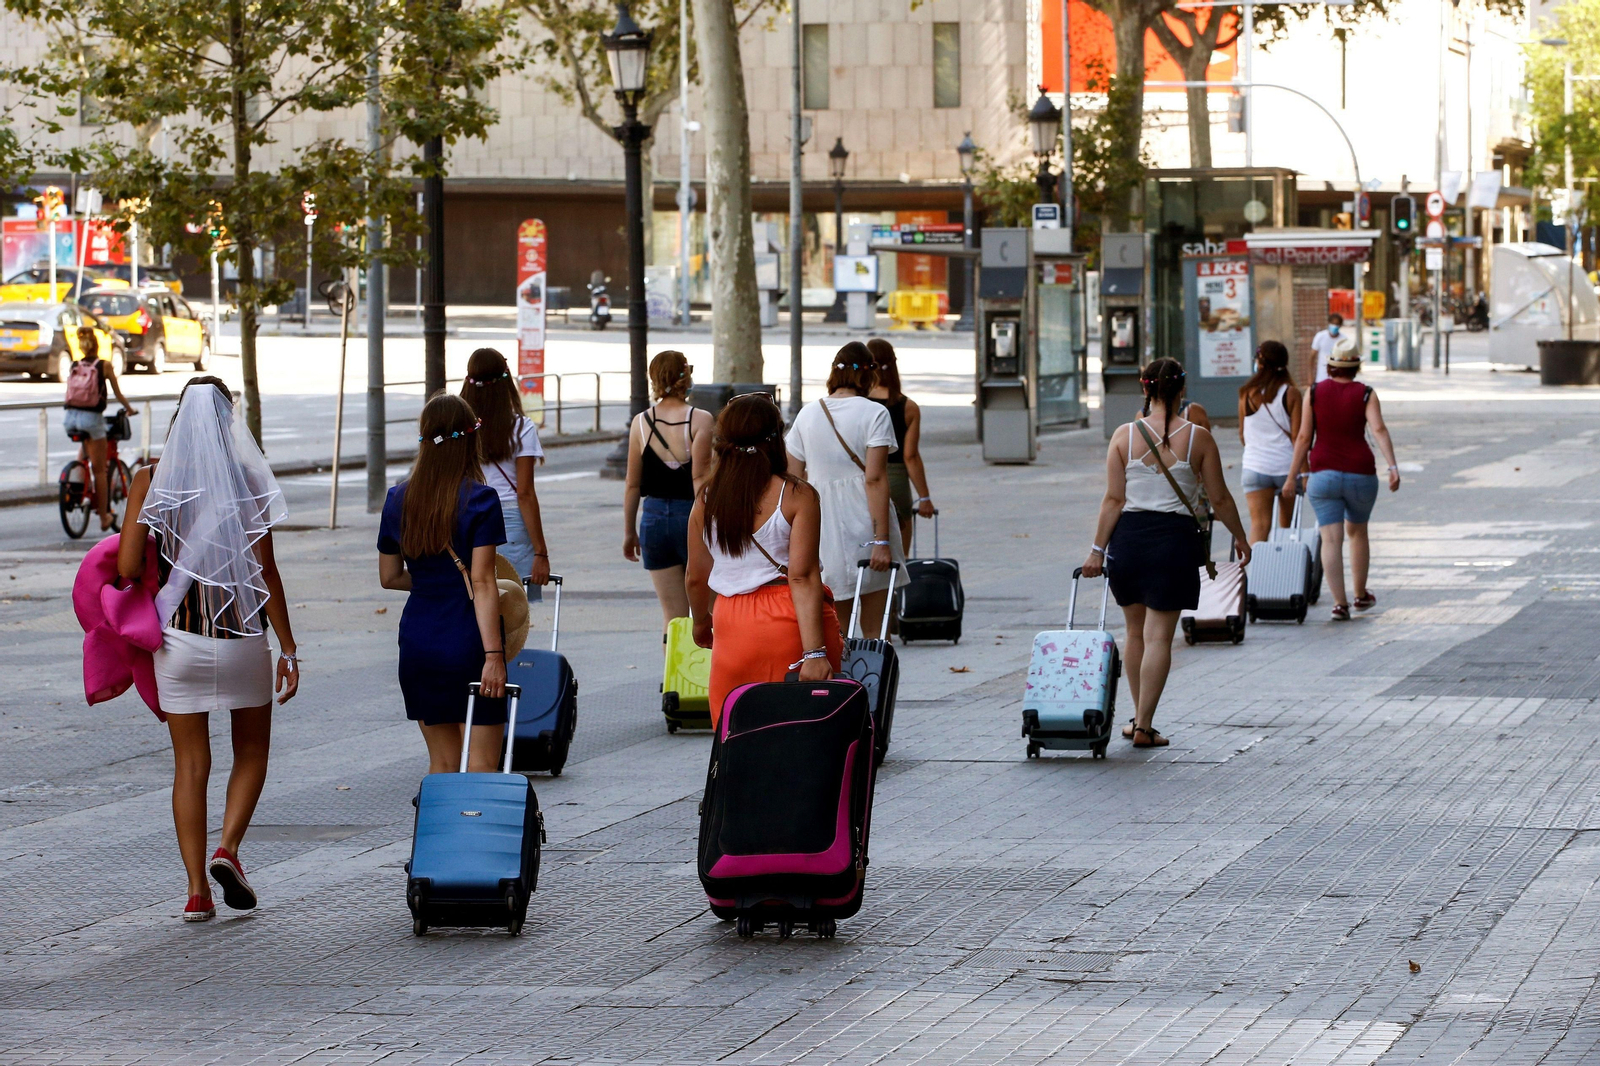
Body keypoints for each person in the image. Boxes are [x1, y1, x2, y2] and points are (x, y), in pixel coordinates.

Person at [116, 376, 299, 922]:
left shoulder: (150, 480)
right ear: (228, 424)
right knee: (252, 753)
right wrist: (288, 647)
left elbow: (126, 569)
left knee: (191, 765)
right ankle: (229, 849)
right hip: (243, 639)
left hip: (181, 642)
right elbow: (266, 571)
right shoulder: (246, 481)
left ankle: (196, 892)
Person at [1082, 358, 1250, 749]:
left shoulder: (1123, 436)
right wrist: (1241, 537)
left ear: (1146, 390)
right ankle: (1144, 725)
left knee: (1135, 633)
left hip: (1129, 542)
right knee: (1160, 638)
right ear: (1181, 391)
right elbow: (1220, 498)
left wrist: (1096, 551)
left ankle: (1137, 719)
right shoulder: (1199, 438)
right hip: (1174, 542)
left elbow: (1113, 499)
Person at [685, 394, 842, 727]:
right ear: (775, 439)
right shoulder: (797, 494)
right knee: (800, 734)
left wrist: (701, 621)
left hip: (730, 621)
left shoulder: (708, 498)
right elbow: (803, 576)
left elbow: (696, 576)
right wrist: (814, 653)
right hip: (788, 619)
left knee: (736, 733)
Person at [378, 394, 510, 775]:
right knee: (483, 762)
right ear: (471, 440)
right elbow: (483, 581)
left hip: (419, 639)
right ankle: (475, 834)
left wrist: (430, 581)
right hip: (467, 639)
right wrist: (494, 657)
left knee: (442, 761)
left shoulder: (398, 499)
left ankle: (437, 834)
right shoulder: (481, 500)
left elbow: (389, 577)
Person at [785, 342, 903, 639]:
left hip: (820, 524)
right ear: (869, 375)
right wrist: (882, 540)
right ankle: (875, 684)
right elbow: (874, 478)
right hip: (866, 520)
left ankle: (843, 685)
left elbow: (793, 479)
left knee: (835, 629)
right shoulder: (875, 413)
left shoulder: (807, 414)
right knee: (876, 633)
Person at [1282, 337, 1401, 621]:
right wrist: (1393, 466)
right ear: (1356, 366)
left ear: (1330, 365)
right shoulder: (1366, 394)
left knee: (1331, 539)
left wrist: (1292, 477)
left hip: (1323, 475)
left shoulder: (1314, 392)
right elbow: (1379, 429)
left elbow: (1302, 437)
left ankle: (1339, 604)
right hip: (1361, 473)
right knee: (1358, 532)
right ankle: (1360, 595)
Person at [623, 350, 713, 628]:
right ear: (686, 377)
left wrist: (629, 532)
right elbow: (699, 478)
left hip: (653, 519)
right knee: (709, 613)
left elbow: (632, 484)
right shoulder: (700, 420)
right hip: (691, 516)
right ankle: (711, 670)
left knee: (672, 617)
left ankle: (672, 671)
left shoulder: (641, 422)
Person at [458, 348, 551, 586]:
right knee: (514, 610)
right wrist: (541, 551)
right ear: (506, 381)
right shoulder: (521, 427)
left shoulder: (458, 427)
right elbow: (525, 493)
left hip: (465, 515)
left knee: (471, 602)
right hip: (509, 522)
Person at [865, 338, 935, 554]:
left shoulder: (859, 404)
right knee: (899, 560)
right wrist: (924, 497)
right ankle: (895, 589)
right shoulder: (908, 407)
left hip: (863, 481)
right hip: (896, 482)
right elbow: (910, 456)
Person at [63, 326, 134, 532]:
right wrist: (130, 409)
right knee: (100, 470)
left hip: (70, 418)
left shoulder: (75, 364)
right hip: (91, 419)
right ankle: (104, 516)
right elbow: (118, 395)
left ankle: (76, 482)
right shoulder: (104, 366)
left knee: (85, 451)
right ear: (97, 344)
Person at [1236, 340, 1303, 544]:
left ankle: (1256, 572)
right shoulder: (1291, 393)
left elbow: (1242, 435)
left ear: (1260, 363)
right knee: (1287, 527)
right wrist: (1304, 472)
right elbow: (1298, 437)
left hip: (1255, 467)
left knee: (1259, 526)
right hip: (1286, 469)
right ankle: (1284, 572)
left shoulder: (1246, 393)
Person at [1310, 313, 1344, 383]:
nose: (1334, 326)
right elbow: (1312, 356)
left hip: (1337, 379)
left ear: (1340, 325)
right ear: (1329, 324)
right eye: (1333, 324)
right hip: (1321, 378)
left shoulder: (1344, 339)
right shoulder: (1320, 336)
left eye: (1337, 324)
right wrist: (1310, 376)